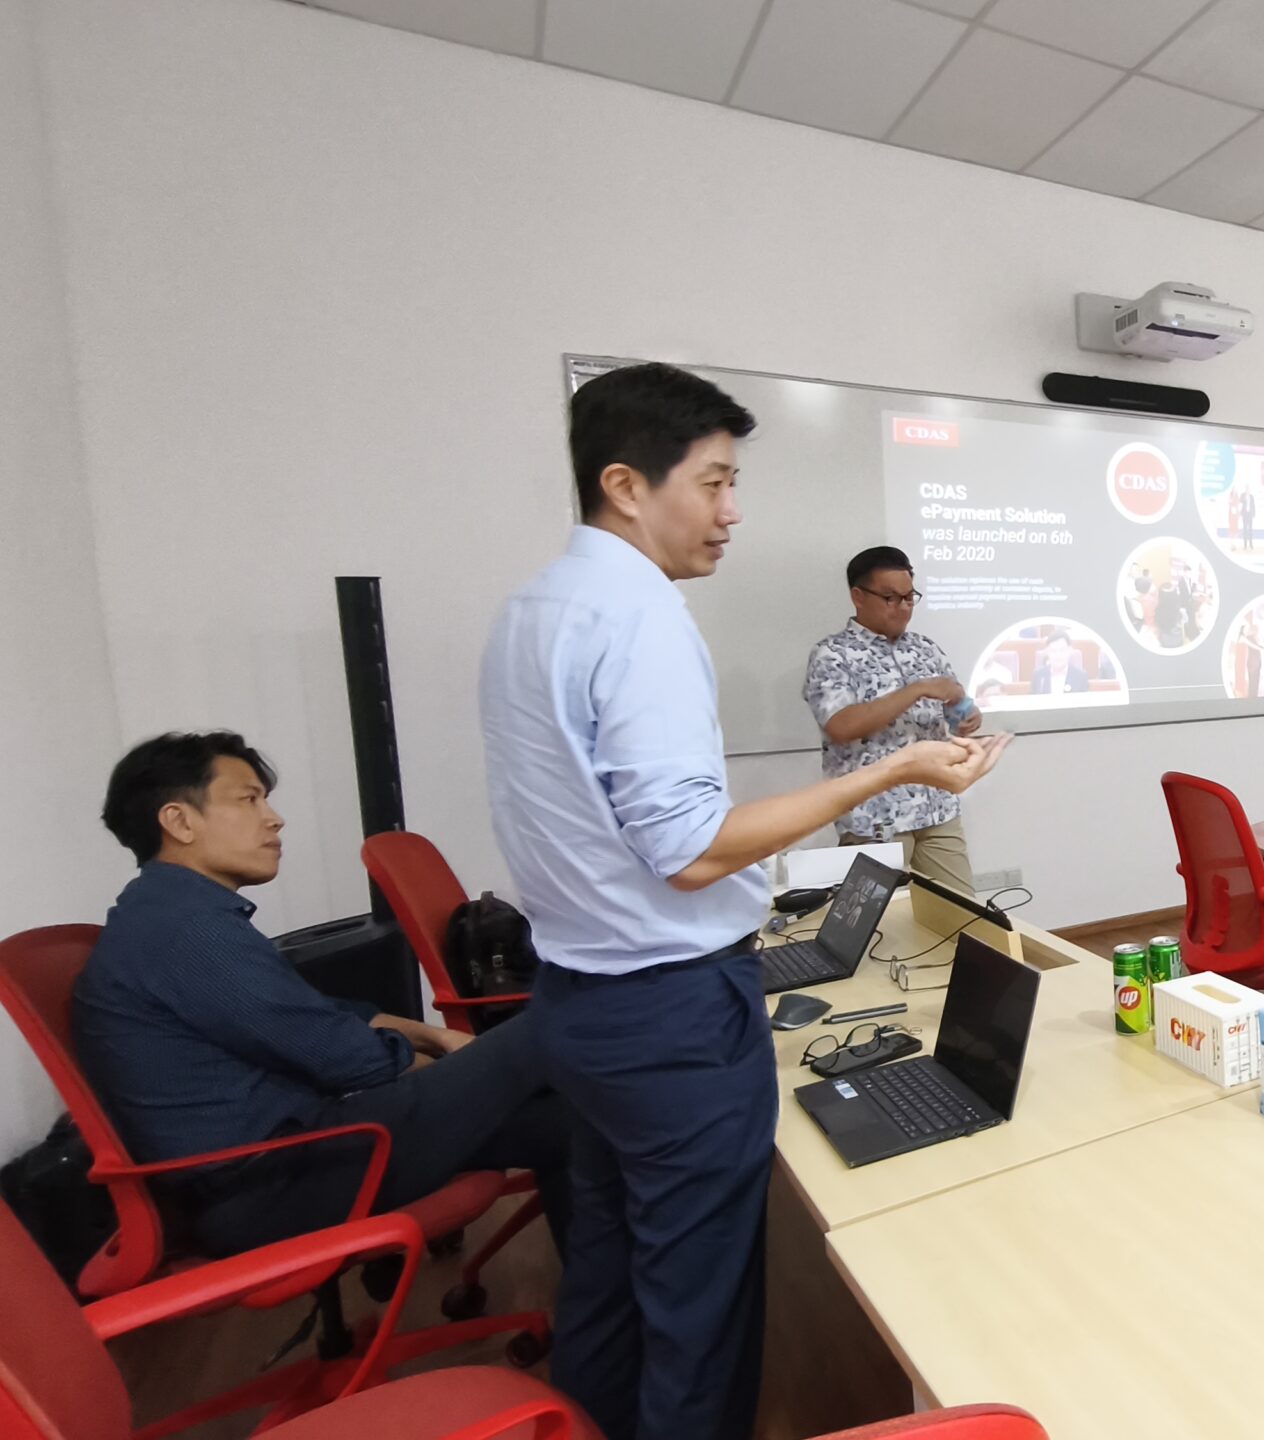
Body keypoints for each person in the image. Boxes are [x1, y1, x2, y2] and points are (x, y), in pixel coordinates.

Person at [480, 363, 1006, 1440]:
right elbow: (687, 850)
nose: (732, 512)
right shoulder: (640, 619)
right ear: (626, 485)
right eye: (714, 483)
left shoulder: (533, 608)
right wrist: (892, 769)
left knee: (609, 1274)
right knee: (697, 1310)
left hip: (580, 998)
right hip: (668, 1013)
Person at [73, 732, 572, 1259]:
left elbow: (327, 1016)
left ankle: (601, 1304)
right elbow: (348, 1058)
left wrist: (439, 1038)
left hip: (292, 1159)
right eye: (249, 799)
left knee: (571, 1123)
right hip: (273, 1183)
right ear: (179, 821)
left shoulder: (171, 915)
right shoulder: (185, 930)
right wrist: (463, 1068)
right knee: (573, 1015)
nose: (274, 819)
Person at [805, 545, 985, 897]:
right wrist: (916, 690)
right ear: (858, 596)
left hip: (938, 809)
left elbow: (954, 715)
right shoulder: (832, 654)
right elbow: (841, 726)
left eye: (909, 597)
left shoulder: (926, 649)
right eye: (890, 598)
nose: (903, 607)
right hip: (874, 819)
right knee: (875, 919)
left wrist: (966, 717)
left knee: (963, 913)